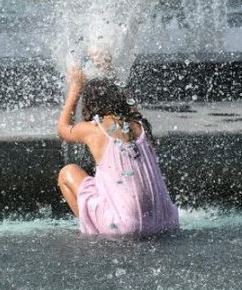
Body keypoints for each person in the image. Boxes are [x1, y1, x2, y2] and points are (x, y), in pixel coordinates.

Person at [56, 66, 179, 236]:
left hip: (123, 226)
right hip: (166, 220)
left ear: (90, 103)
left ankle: (95, 230)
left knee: (67, 172)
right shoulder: (140, 126)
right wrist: (109, 67)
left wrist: (76, 87)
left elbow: (64, 129)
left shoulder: (96, 129)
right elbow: (130, 104)